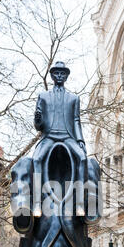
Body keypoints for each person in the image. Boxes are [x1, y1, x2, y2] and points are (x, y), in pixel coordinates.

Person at [33, 61, 87, 217]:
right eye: (56, 73)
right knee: (36, 160)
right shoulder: (43, 96)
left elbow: (76, 120)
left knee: (82, 158)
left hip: (67, 136)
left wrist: (80, 140)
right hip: (49, 136)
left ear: (66, 76)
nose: (59, 75)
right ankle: (37, 204)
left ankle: (80, 205)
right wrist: (38, 120)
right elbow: (38, 125)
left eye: (62, 73)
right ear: (51, 75)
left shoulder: (74, 98)